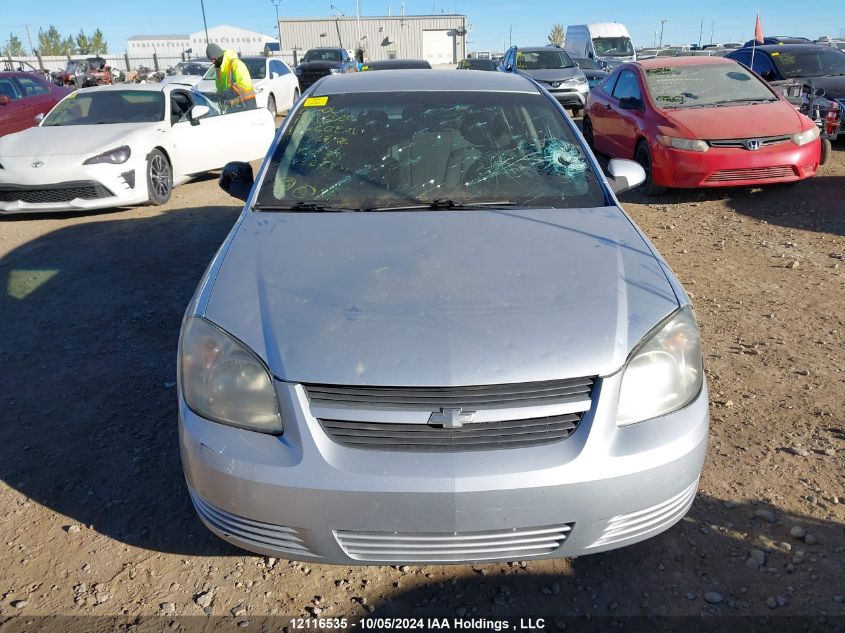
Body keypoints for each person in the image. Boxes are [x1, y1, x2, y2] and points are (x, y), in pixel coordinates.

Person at [206, 43, 256, 112]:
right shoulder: (219, 69)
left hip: (246, 105)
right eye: (211, 60)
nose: (213, 62)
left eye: (214, 59)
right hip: (232, 107)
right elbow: (220, 89)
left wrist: (227, 94)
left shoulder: (236, 64)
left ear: (220, 55)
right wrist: (218, 96)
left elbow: (245, 86)